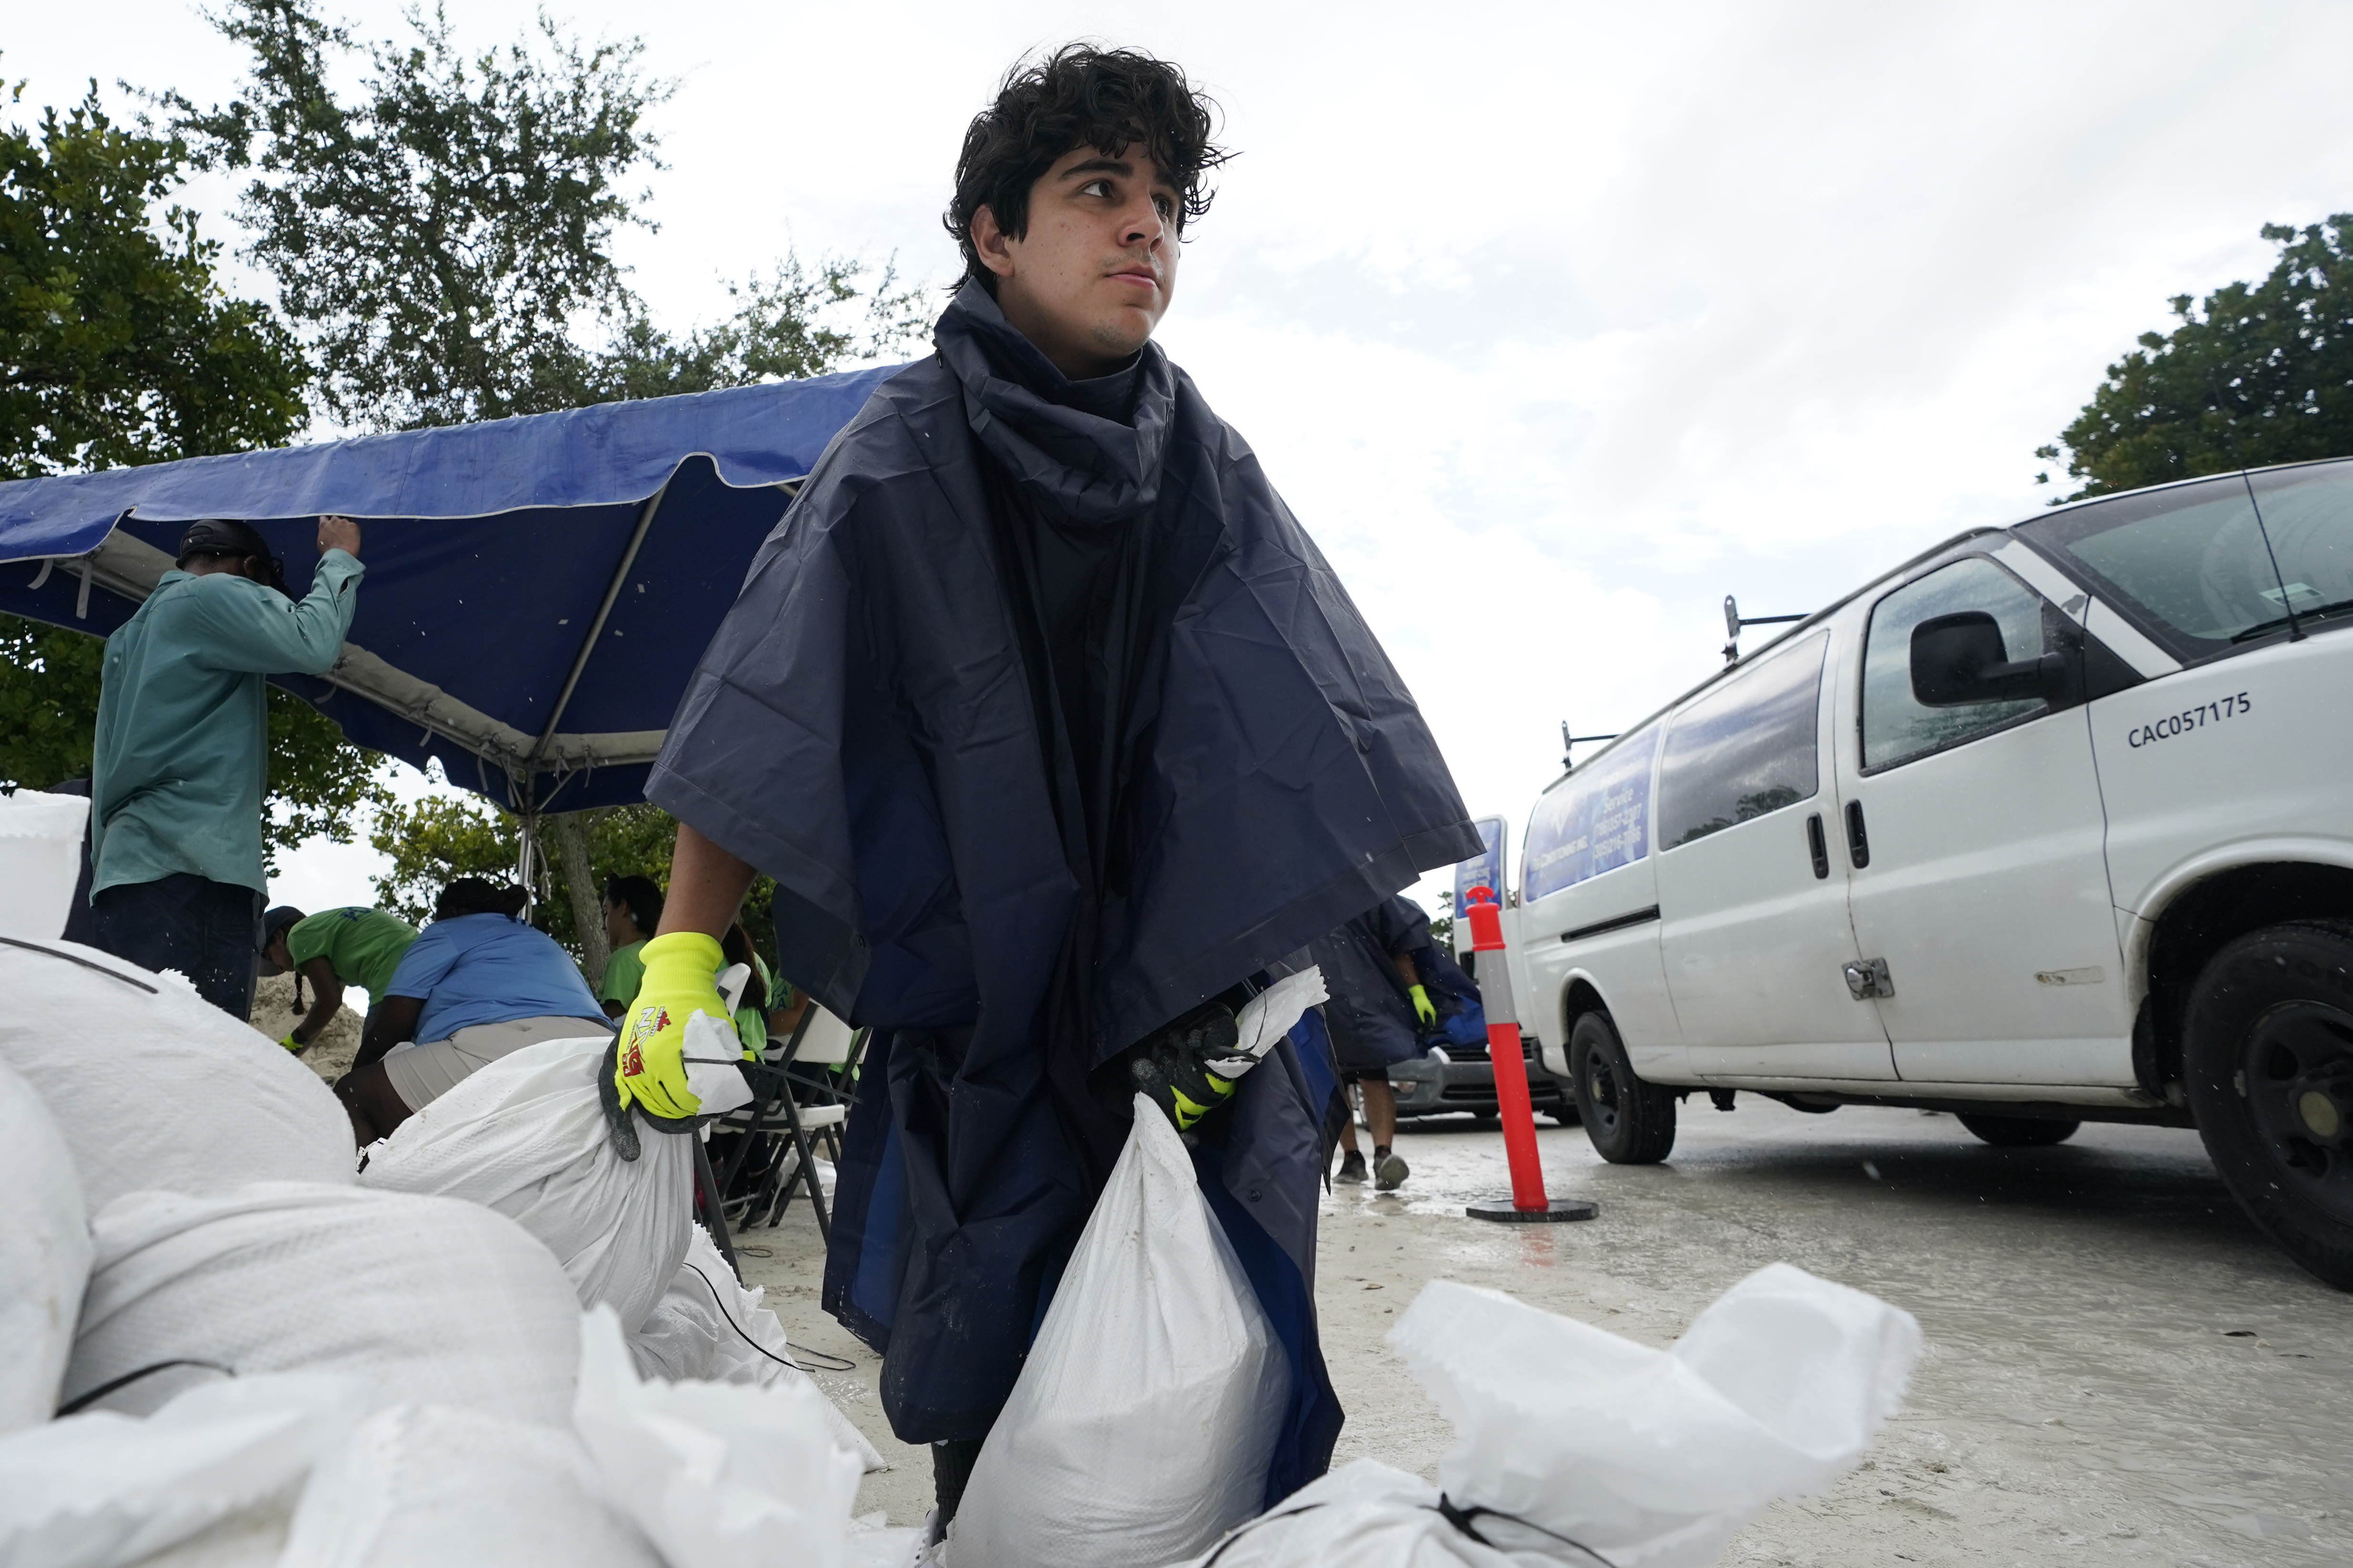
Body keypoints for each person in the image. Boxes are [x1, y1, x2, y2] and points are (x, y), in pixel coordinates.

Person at [616, 45, 1477, 1528]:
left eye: (1161, 204)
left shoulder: (1200, 459)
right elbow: (776, 697)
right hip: (989, 1023)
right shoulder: (898, 454)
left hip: (1188, 1023)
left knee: (1200, 1379)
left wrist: (1278, 966)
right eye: (1098, 192)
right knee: (1007, 1376)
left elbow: (1295, 715)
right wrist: (683, 954)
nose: (1144, 228)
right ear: (992, 234)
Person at [87, 515, 364, 1016]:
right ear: (250, 569)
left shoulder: (127, 638)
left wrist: (103, 874)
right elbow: (314, 643)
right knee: (207, 1062)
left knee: (134, 1053)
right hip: (197, 868)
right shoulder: (212, 595)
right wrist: (339, 556)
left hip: (128, 871)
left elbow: (105, 764)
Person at [333, 878, 609, 1143]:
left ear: (450, 913)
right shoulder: (539, 939)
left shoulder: (447, 931)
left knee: (353, 1096)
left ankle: (357, 1190)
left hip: (515, 1044)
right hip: (599, 1050)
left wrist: (356, 1072)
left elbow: (393, 1024)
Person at [1311, 895, 1447, 1191]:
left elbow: (1400, 943)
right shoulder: (1300, 900)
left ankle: (1383, 1156)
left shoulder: (1366, 895)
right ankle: (1352, 1159)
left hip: (1366, 1003)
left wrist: (1417, 991)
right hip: (1322, 1004)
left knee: (1372, 1074)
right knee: (1337, 1084)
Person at [258, 904, 421, 1052]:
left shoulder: (298, 935)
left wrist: (293, 1041)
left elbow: (329, 1001)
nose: (280, 969)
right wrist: (292, 1053)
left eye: (270, 957)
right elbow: (323, 1017)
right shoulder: (327, 935)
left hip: (393, 976)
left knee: (368, 1068)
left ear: (279, 937)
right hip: (423, 961)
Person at [596, 874, 665, 1020]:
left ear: (623, 907)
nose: (603, 926)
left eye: (606, 912)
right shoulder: (659, 952)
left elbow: (610, 1022)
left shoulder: (624, 959)